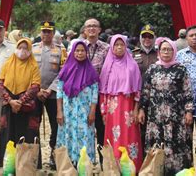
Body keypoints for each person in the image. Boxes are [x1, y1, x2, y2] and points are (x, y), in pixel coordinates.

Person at [138, 38, 194, 174]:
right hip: (155, 116)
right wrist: (141, 109)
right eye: (164, 49)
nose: (166, 52)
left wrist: (189, 111)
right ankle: (156, 170)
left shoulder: (181, 69)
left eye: (169, 49)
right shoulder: (152, 69)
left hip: (176, 116)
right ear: (159, 51)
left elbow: (187, 91)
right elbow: (145, 91)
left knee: (176, 144)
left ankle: (176, 171)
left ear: (174, 51)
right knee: (157, 143)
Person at [99, 34, 142, 170]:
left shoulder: (132, 65)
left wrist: (136, 109)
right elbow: (103, 92)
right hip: (112, 111)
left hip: (128, 109)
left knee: (129, 137)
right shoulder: (107, 66)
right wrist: (104, 111)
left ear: (125, 46)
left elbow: (137, 90)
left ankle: (131, 167)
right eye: (116, 45)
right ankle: (114, 167)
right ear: (111, 47)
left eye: (121, 44)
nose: (119, 47)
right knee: (113, 138)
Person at [0, 38, 42, 168]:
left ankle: (27, 166)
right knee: (8, 135)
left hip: (27, 107)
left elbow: (35, 86)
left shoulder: (33, 65)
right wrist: (11, 101)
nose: (22, 51)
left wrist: (20, 102)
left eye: (25, 48)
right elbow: (0, 84)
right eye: (20, 47)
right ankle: (9, 165)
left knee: (28, 134)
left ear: (29, 50)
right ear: (16, 48)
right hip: (9, 104)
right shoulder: (8, 63)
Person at [56, 40, 99, 164]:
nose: (80, 53)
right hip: (68, 112)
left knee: (85, 135)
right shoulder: (65, 70)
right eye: (77, 50)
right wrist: (59, 111)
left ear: (86, 53)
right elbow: (59, 92)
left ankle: (84, 165)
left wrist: (92, 112)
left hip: (85, 113)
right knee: (68, 135)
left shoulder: (91, 72)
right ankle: (68, 165)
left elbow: (95, 95)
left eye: (83, 51)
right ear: (73, 52)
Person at [32, 21, 66, 169]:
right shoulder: (33, 49)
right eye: (44, 31)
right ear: (40, 32)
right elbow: (29, 71)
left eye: (49, 31)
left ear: (53, 33)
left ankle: (53, 154)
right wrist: (37, 89)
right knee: (33, 125)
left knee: (56, 125)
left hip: (53, 94)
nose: (46, 34)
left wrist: (50, 89)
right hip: (35, 93)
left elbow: (62, 73)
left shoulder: (60, 50)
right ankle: (35, 157)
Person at [83, 18, 110, 150]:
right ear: (84, 30)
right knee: (83, 127)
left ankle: (103, 160)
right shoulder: (78, 46)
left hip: (100, 93)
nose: (91, 29)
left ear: (99, 30)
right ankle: (84, 162)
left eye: (94, 26)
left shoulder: (106, 48)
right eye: (88, 26)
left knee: (101, 127)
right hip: (82, 94)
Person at [176, 25, 196, 98]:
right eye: (191, 35)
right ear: (186, 38)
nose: (194, 37)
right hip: (185, 97)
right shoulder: (179, 55)